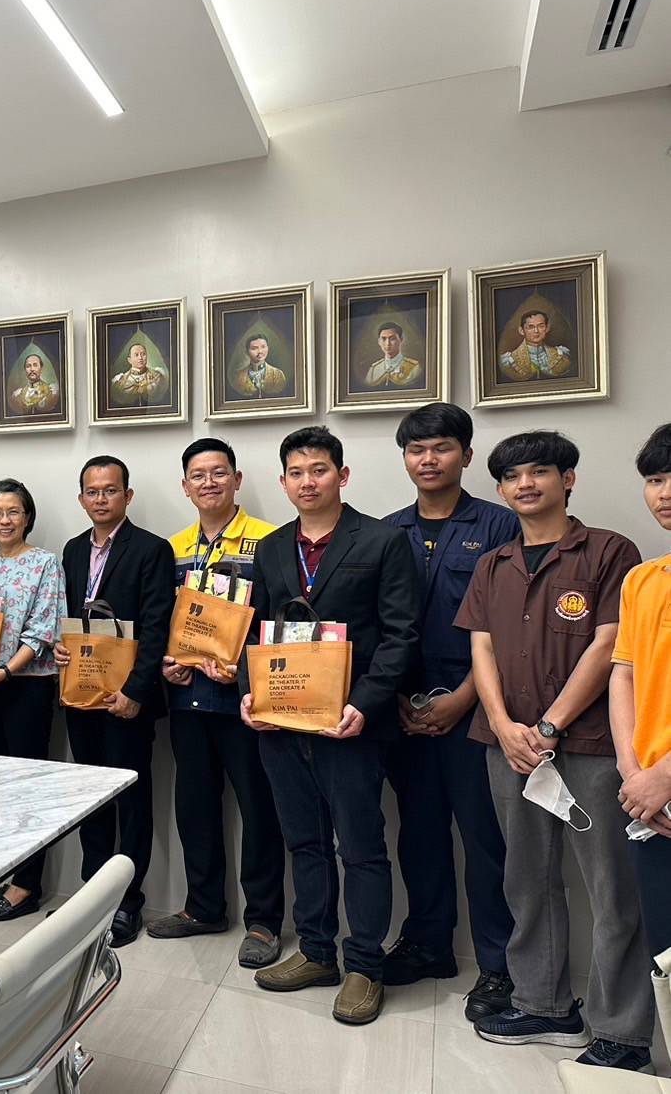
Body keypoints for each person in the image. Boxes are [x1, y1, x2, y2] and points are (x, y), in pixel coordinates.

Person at [460, 430, 652, 1070]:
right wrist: (502, 724)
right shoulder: (493, 563)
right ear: (500, 490)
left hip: (591, 746)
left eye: (540, 472)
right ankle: (544, 1004)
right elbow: (481, 647)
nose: (526, 484)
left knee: (611, 887)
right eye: (513, 477)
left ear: (568, 479)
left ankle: (623, 1034)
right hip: (507, 747)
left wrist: (548, 727)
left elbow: (609, 645)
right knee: (526, 877)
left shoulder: (610, 552)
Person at [238, 426, 417, 1026]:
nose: (307, 481)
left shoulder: (383, 540)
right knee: (304, 842)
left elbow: (400, 635)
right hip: (282, 724)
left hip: (350, 725)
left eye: (318, 470)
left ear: (342, 476)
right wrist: (248, 694)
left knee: (361, 848)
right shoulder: (271, 548)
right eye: (296, 472)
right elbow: (253, 631)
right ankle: (316, 952)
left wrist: (365, 703)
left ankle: (365, 965)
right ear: (283, 482)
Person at [379, 404, 519, 1021]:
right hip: (405, 709)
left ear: (465, 454)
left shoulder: (500, 525)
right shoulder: (387, 531)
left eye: (440, 447)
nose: (428, 460)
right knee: (419, 832)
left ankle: (500, 964)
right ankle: (427, 944)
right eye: (416, 450)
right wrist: (397, 698)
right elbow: (380, 625)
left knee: (486, 840)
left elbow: (511, 626)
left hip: (479, 707)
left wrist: (463, 698)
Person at [149, 438, 285, 969]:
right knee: (195, 806)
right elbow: (164, 620)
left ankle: (264, 921)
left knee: (259, 809)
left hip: (244, 701)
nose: (209, 483)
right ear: (185, 487)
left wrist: (244, 668)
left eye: (219, 472)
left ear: (237, 479)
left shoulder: (268, 540)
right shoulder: (174, 547)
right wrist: (167, 662)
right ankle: (203, 907)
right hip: (187, 698)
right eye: (198, 475)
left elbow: (276, 621)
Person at [54, 455, 175, 947]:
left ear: (128, 495)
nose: (100, 498)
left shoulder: (151, 549)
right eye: (92, 491)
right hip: (81, 694)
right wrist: (61, 648)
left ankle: (127, 901)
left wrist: (136, 693)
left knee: (131, 801)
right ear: (81, 498)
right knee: (91, 797)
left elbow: (157, 626)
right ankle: (91, 896)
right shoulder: (71, 550)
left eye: (110, 490)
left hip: (126, 698)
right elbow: (69, 617)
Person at [0, 479, 66, 924]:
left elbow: (44, 629)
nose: (4, 520)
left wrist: (6, 671)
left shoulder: (46, 563)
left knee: (28, 787)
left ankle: (28, 885)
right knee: (1, 786)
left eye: (13, 512)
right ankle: (11, 873)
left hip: (26, 685)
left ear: (27, 518)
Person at [613, 423, 671, 962]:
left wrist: (665, 775)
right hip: (650, 802)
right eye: (655, 480)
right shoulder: (642, 580)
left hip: (662, 783)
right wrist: (634, 775)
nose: (664, 492)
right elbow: (624, 675)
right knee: (665, 956)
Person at [499, 310, 571, 381]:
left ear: (547, 328)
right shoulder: (509, 361)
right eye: (531, 327)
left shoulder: (561, 355)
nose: (536, 331)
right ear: (521, 330)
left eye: (541, 326)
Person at [364, 322, 422, 388]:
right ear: (379, 342)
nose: (387, 343)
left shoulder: (414, 368)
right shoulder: (373, 370)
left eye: (392, 339)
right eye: (383, 339)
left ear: (401, 340)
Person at [109, 340, 168, 406]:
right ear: (129, 360)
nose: (140, 358)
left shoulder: (157, 376)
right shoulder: (120, 381)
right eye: (136, 355)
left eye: (143, 354)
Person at [229, 334, 289, 398]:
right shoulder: (239, 377)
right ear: (246, 352)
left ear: (268, 348)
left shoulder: (277, 374)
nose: (260, 351)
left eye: (263, 347)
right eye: (254, 348)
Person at [10, 350, 59, 415]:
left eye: (35, 365)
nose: (32, 369)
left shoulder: (51, 391)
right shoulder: (17, 395)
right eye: (28, 366)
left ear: (41, 369)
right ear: (25, 370)